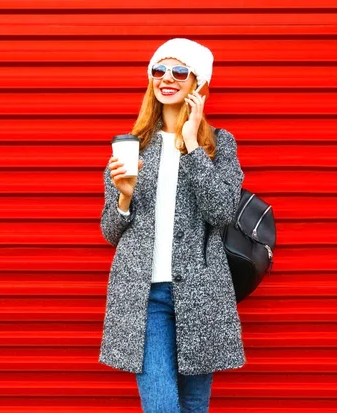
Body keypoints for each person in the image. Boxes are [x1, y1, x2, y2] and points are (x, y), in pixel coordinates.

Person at [99, 38, 246, 413]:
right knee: (162, 406)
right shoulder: (131, 146)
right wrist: (124, 197)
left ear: (199, 82)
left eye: (179, 70)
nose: (167, 78)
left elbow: (222, 211)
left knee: (195, 405)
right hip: (144, 297)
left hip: (200, 293)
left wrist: (193, 143)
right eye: (158, 70)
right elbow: (109, 231)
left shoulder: (220, 145)